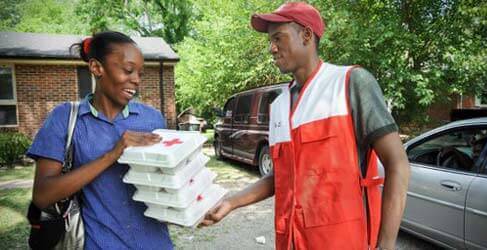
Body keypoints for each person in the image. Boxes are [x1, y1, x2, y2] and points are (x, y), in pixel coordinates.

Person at [202, 2, 410, 250]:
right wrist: (232, 202)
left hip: (343, 242)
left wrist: (385, 246)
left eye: (278, 38)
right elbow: (280, 176)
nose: (272, 48)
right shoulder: (279, 105)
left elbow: (397, 163)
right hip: (291, 241)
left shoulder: (350, 83)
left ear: (307, 35)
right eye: (270, 41)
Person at [27, 31, 174, 249]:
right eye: (128, 70)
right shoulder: (66, 118)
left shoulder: (152, 118)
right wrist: (113, 154)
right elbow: (42, 196)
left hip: (155, 243)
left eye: (140, 74)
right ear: (97, 68)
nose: (136, 79)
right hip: (100, 243)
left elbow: (168, 181)